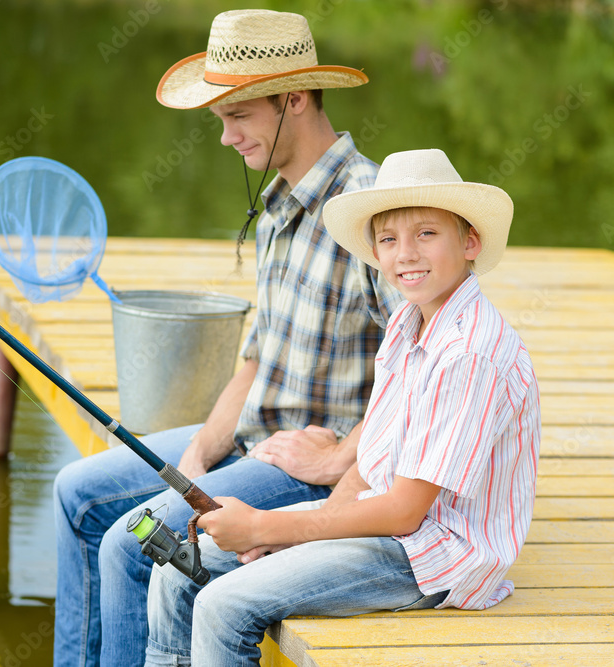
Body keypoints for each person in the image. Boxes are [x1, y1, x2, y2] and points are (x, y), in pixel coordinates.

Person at [53, 10, 403, 666]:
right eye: (219, 119)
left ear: (294, 99)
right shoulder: (275, 211)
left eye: (237, 115)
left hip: (310, 472)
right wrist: (196, 454)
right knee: (76, 492)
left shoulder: (372, 208)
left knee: (132, 544)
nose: (224, 138)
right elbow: (255, 359)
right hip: (248, 441)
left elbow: (415, 365)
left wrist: (336, 461)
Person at [144, 148, 542, 666]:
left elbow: (404, 513)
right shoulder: (408, 322)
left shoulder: (468, 352)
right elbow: (372, 462)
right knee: (177, 567)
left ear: (470, 241)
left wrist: (267, 528)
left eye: (427, 233)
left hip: (434, 556)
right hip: (385, 523)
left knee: (225, 604)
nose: (406, 254)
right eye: (388, 239)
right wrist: (305, 531)